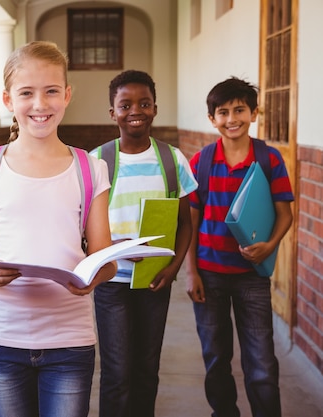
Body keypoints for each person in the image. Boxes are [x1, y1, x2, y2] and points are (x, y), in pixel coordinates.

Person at [0, 41, 115, 417]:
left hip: (70, 340)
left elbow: (104, 259)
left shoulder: (90, 169)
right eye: (26, 93)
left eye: (51, 91)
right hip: (2, 338)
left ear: (67, 95)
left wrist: (95, 275)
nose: (40, 104)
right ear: (8, 99)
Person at [90, 70, 197, 417]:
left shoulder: (172, 160)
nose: (135, 110)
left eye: (144, 103)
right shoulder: (97, 163)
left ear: (155, 109)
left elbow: (185, 223)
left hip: (155, 280)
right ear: (112, 113)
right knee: (117, 372)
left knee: (147, 370)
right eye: (125, 104)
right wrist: (111, 247)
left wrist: (174, 267)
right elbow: (81, 227)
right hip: (112, 281)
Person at [186, 77, 294, 417]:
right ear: (211, 119)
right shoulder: (200, 163)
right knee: (216, 358)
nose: (232, 119)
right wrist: (192, 273)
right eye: (223, 112)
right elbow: (189, 222)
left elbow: (285, 213)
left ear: (254, 113)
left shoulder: (269, 159)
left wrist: (270, 245)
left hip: (252, 277)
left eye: (239, 110)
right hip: (209, 275)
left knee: (261, 360)